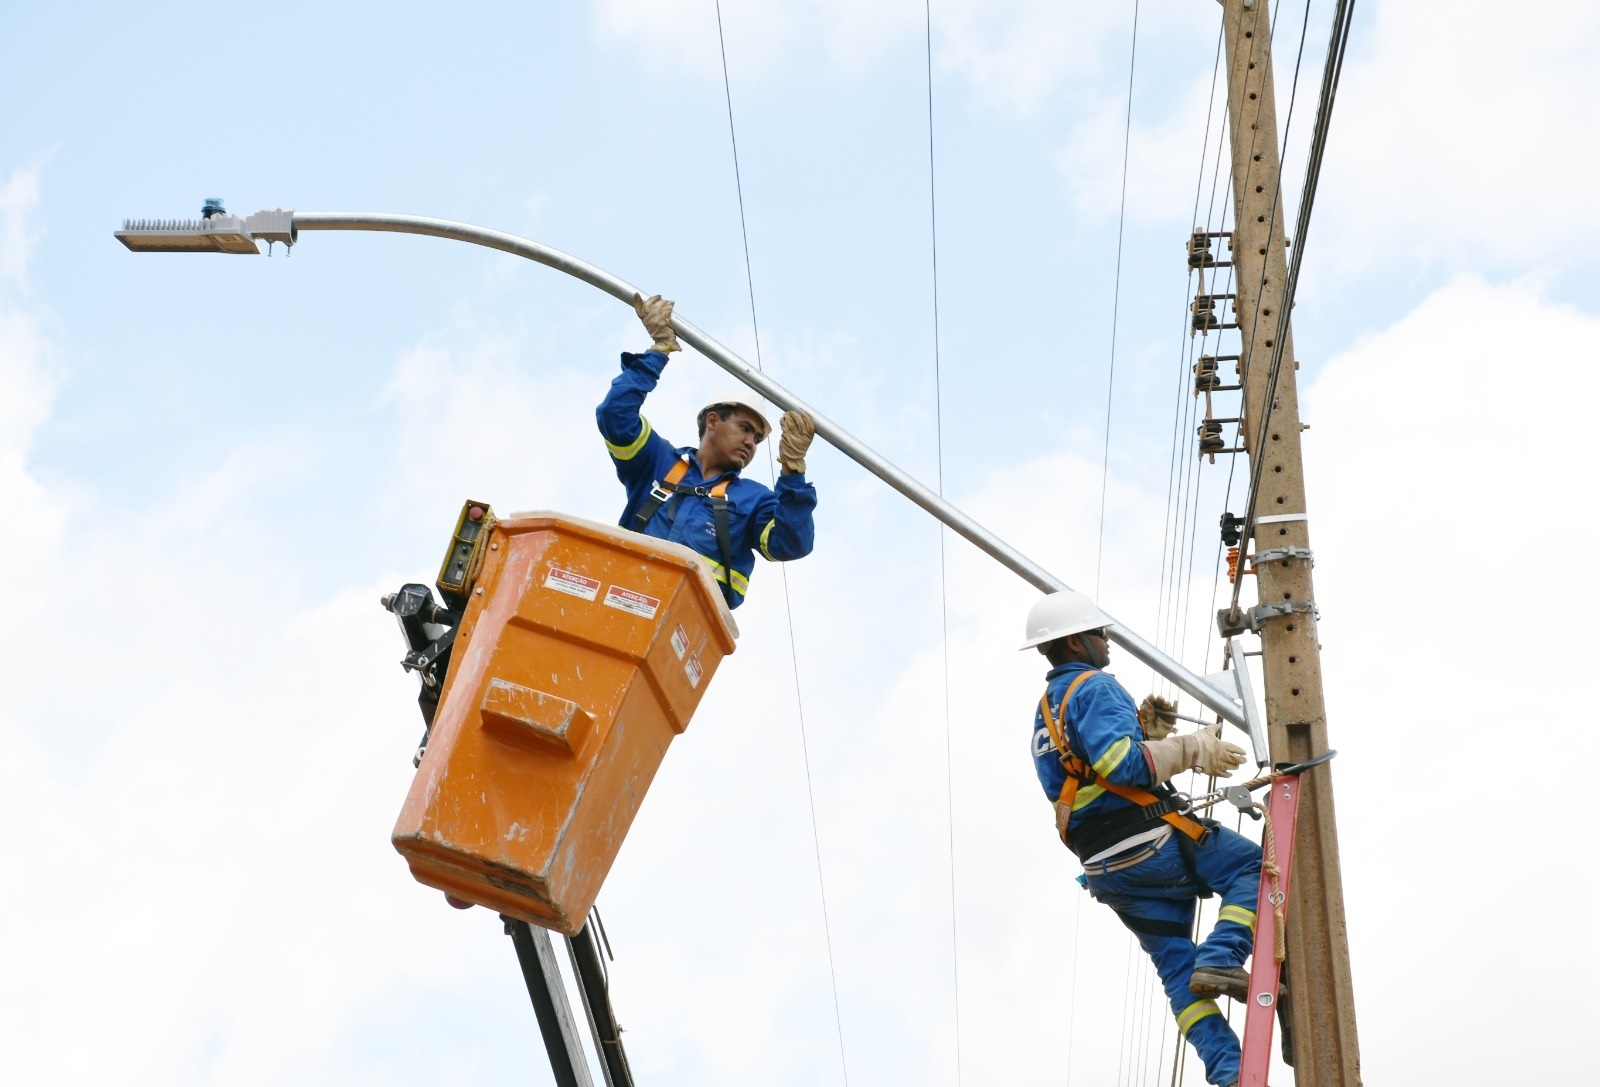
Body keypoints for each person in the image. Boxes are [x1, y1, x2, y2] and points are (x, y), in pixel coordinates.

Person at [1023, 589, 1260, 1087]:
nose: (1106, 641)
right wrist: (1189, 747)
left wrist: (1142, 732)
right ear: (1074, 644)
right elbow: (1121, 766)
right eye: (1098, 633)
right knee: (1252, 870)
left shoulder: (1044, 716)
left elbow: (1088, 774)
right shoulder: (1095, 686)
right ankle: (1222, 957)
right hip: (1150, 842)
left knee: (1178, 971)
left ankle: (1231, 1073)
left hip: (1107, 871)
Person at [595, 293, 817, 609]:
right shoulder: (657, 462)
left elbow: (791, 543)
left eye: (757, 437)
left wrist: (793, 470)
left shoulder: (754, 500)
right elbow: (614, 415)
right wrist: (658, 352)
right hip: (619, 596)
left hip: (687, 622)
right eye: (744, 428)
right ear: (713, 420)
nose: (751, 442)